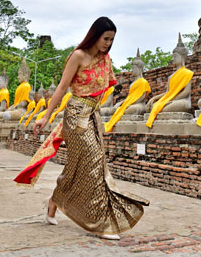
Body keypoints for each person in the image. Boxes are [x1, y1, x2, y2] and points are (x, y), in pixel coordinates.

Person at [14, 17, 149, 240]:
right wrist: (46, 116)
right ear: (94, 35)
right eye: (105, 38)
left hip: (94, 116)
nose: (108, 43)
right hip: (76, 115)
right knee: (93, 164)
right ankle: (100, 222)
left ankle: (54, 201)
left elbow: (106, 91)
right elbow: (61, 88)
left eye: (112, 40)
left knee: (79, 165)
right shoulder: (78, 56)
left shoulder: (105, 60)